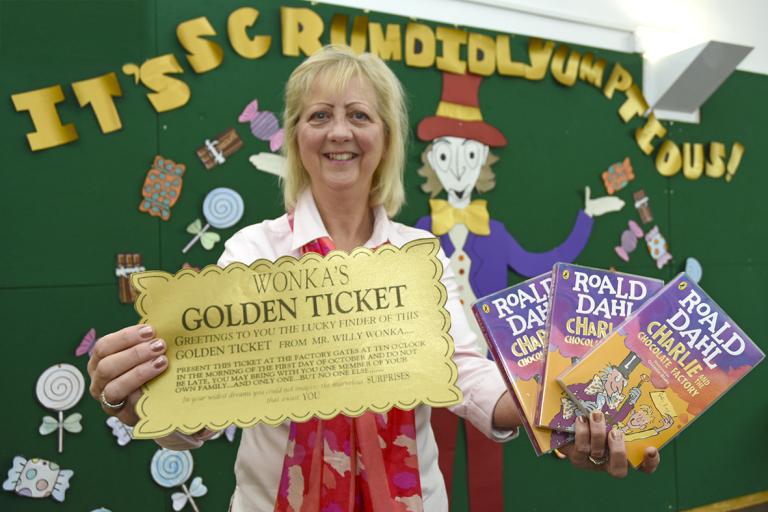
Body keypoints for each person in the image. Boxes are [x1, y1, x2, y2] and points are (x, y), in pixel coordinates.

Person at [87, 45, 660, 511]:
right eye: (319, 116)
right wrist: (145, 403)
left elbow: (463, 372)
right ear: (295, 138)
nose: (340, 132)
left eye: (359, 115)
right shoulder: (253, 250)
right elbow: (211, 397)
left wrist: (556, 407)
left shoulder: (419, 255)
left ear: (386, 138)